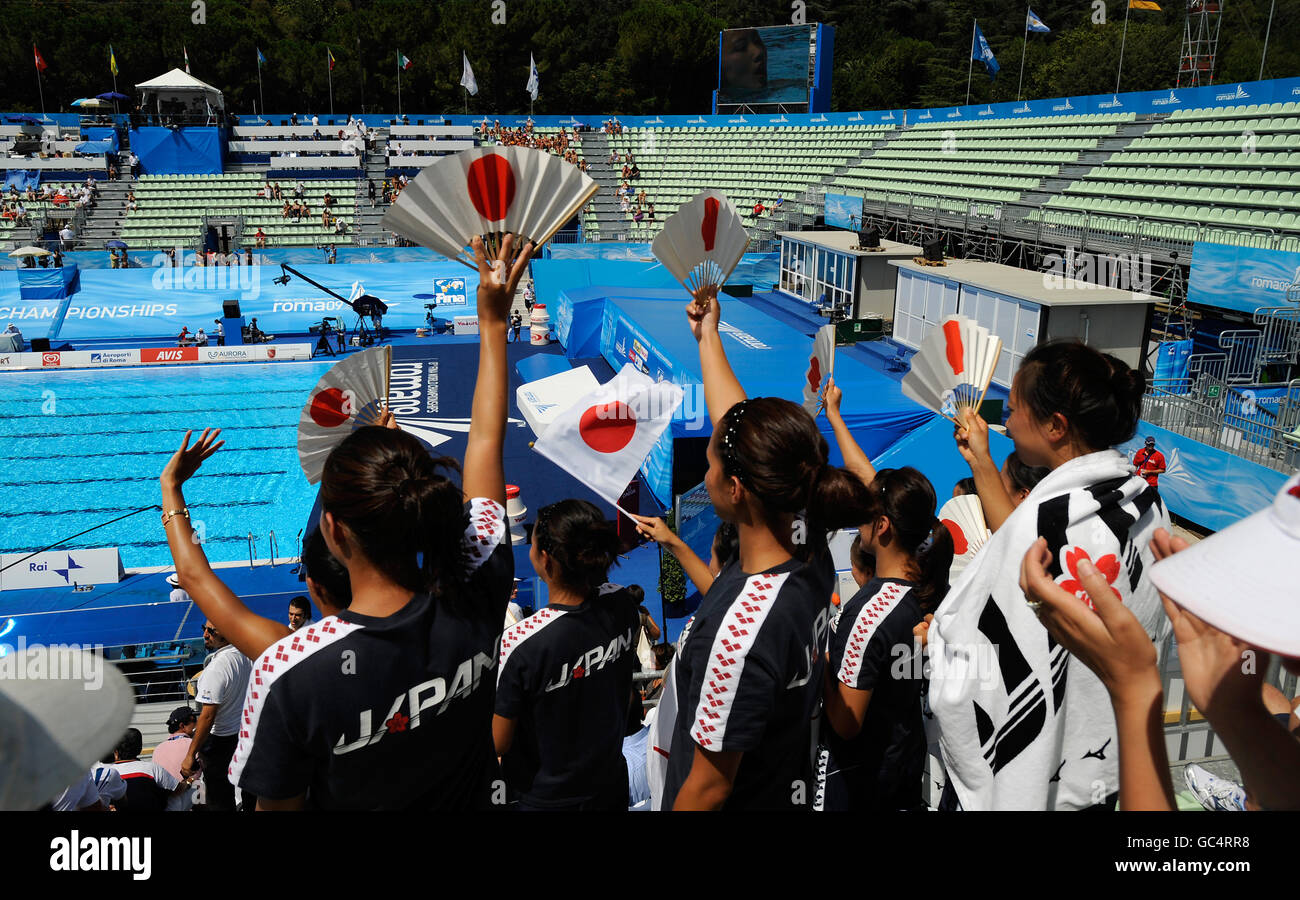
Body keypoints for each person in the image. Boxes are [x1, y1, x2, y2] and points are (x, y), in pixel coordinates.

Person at [163, 236, 533, 811]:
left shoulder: (293, 671)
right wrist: (492, 324)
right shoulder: (478, 578)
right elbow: (485, 442)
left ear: (334, 531)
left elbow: (200, 584)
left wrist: (172, 491)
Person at [659, 283, 875, 811]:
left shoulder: (739, 631)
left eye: (710, 465)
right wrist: (709, 336)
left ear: (735, 488)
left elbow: (708, 788)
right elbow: (736, 425)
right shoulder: (806, 541)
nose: (704, 473)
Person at [928, 340, 1167, 811]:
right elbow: (1020, 535)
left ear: (1055, 426)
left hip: (1032, 781)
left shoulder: (1050, 522)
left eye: (1014, 410)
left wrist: (938, 643)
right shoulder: (1138, 501)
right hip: (1112, 758)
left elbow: (975, 658)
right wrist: (980, 458)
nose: (1006, 422)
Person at [818, 466, 953, 811]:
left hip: (860, 788)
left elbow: (847, 723)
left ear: (882, 525)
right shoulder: (922, 600)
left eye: (866, 512)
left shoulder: (871, 613)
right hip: (901, 779)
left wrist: (821, 664)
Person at [494, 500, 642, 811]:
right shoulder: (622, 603)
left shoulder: (520, 643)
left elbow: (498, 741)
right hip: (610, 783)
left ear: (545, 559)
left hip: (548, 799)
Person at [182, 621, 253, 811]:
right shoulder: (246, 656)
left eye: (211, 631)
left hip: (218, 743)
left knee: (219, 798)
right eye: (204, 628)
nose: (205, 634)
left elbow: (207, 717)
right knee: (248, 793)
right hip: (242, 735)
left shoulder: (216, 668)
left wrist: (190, 754)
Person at [111, 728, 197, 811]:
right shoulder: (151, 769)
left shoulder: (107, 772)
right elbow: (178, 790)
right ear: (140, 749)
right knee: (194, 788)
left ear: (116, 751)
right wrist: (188, 781)